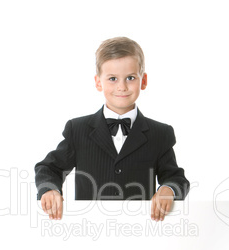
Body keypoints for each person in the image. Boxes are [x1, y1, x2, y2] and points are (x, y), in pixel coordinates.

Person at [35, 37, 190, 221]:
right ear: (98, 82)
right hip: (88, 228)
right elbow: (48, 168)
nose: (122, 87)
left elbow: (177, 178)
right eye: (113, 79)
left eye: (130, 78)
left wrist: (168, 189)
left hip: (141, 230)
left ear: (144, 80)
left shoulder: (160, 134)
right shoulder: (77, 129)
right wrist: (50, 189)